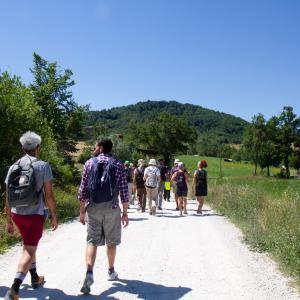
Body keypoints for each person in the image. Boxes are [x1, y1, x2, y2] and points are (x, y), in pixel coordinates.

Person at [4, 131, 58, 300]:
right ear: (38, 147)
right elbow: (49, 195)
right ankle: (14, 288)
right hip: (34, 214)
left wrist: (8, 221)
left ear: (22, 148)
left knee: (28, 245)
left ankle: (34, 278)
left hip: (17, 215)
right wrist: (55, 216)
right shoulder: (43, 166)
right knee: (29, 249)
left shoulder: (13, 167)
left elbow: (8, 196)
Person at [78, 138, 129, 294]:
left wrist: (82, 211)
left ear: (100, 147)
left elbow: (82, 191)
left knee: (92, 241)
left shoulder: (89, 163)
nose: (93, 148)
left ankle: (89, 272)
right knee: (111, 241)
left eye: (95, 146)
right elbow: (124, 191)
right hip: (112, 207)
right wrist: (125, 213)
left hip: (93, 207)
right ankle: (111, 270)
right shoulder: (118, 164)